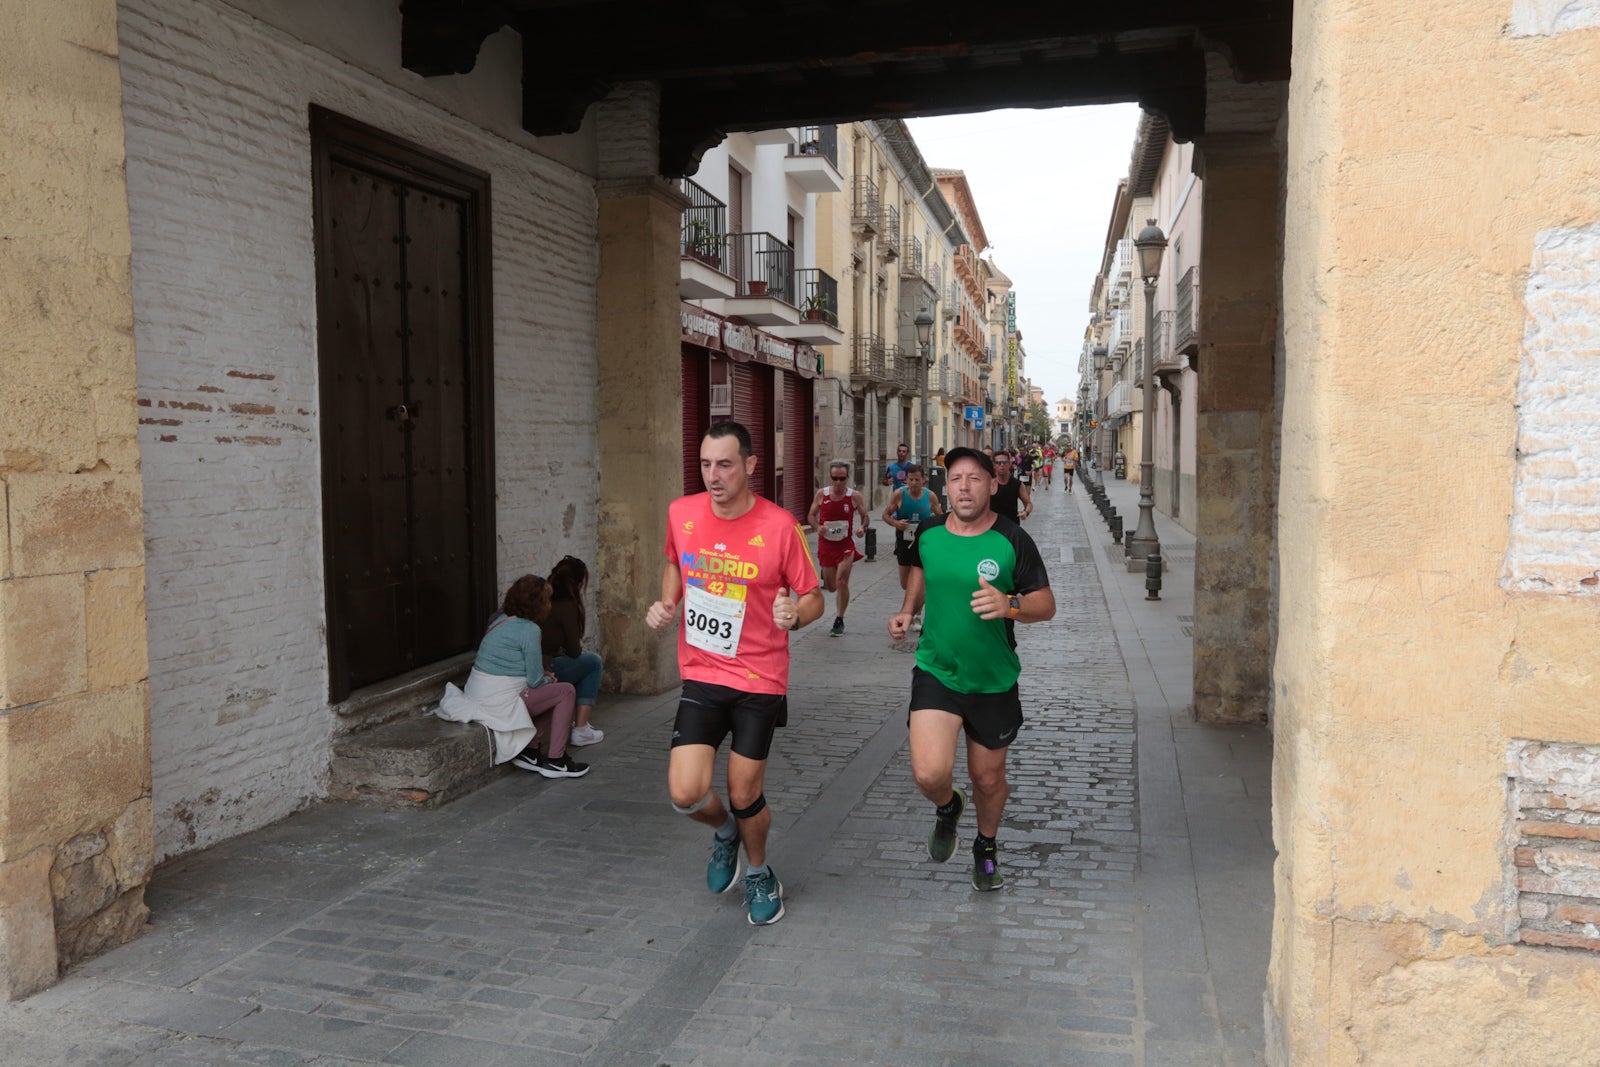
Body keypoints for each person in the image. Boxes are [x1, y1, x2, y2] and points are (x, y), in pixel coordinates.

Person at [646, 421, 824, 925]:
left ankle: (760, 872)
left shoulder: (780, 526)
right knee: (685, 793)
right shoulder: (681, 513)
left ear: (749, 465)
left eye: (724, 464)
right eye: (705, 464)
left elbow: (813, 595)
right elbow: (675, 563)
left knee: (745, 791)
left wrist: (797, 615)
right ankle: (724, 832)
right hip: (702, 671)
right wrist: (667, 602)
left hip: (758, 678)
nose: (713, 475)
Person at [887, 447, 1055, 891]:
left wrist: (1009, 604)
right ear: (947, 485)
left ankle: (985, 845)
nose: (964, 486)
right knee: (928, 773)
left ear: (993, 484)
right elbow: (921, 570)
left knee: (987, 777)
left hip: (993, 679)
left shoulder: (1012, 539)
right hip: (937, 669)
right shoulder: (928, 532)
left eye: (975, 478)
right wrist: (908, 610)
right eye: (956, 478)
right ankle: (947, 807)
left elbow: (1046, 605)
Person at [437, 575, 590, 778]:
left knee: (551, 692)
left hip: (479, 693)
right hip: (498, 701)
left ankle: (530, 750)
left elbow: (513, 666)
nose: (550, 604)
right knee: (565, 691)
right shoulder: (529, 630)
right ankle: (556, 760)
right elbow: (534, 681)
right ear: (538, 604)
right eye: (547, 599)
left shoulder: (500, 619)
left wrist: (543, 678)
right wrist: (547, 678)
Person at [542, 555, 605, 748]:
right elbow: (575, 651)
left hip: (536, 662)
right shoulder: (567, 605)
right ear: (577, 583)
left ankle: (576, 722)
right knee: (593, 662)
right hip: (547, 666)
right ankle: (581, 728)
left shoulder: (543, 597)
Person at [808, 462, 868, 636]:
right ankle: (826, 575)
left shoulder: (854, 496)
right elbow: (811, 515)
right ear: (830, 477)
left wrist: (862, 527)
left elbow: (865, 517)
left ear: (847, 478)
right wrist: (817, 527)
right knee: (831, 586)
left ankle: (839, 619)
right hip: (826, 545)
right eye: (835, 478)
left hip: (845, 545)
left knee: (842, 581)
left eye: (842, 478)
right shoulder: (822, 495)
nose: (838, 482)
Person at [882, 463, 943, 614]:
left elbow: (941, 518)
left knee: (920, 580)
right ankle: (915, 605)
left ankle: (916, 613)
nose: (914, 483)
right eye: (911, 480)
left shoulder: (930, 496)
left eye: (917, 479)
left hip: (923, 543)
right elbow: (885, 515)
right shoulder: (900, 494)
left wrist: (933, 528)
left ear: (923, 480)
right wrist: (896, 523)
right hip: (904, 542)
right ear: (906, 480)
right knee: (905, 583)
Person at [989, 450, 1032, 523]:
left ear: (1009, 464)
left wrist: (1026, 512)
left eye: (1005, 462)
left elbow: (1028, 503)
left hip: (1011, 525)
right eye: (998, 463)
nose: (1002, 465)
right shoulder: (989, 483)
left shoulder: (1017, 484)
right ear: (994, 465)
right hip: (992, 526)